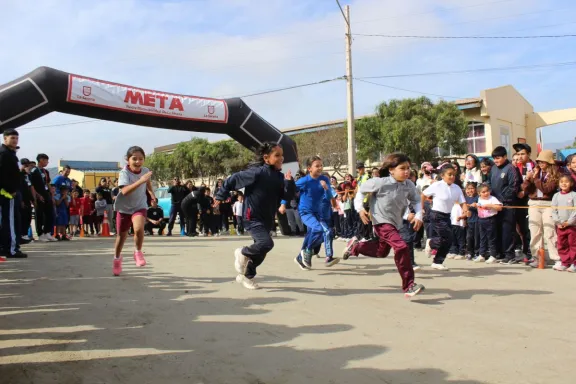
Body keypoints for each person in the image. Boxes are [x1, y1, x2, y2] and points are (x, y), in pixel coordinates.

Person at [342, 153, 425, 297]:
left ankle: (355, 247)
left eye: (408, 168)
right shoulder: (379, 182)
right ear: (391, 170)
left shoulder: (409, 185)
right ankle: (409, 285)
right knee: (401, 246)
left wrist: (418, 215)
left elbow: (416, 201)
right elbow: (360, 192)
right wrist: (360, 209)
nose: (406, 171)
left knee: (381, 252)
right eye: (402, 168)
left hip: (396, 223)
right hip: (381, 222)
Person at [215, 142, 295, 290]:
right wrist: (221, 195)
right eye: (277, 155)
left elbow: (287, 196)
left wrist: (289, 183)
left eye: (282, 155)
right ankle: (242, 252)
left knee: (262, 250)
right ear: (266, 158)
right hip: (251, 217)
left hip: (267, 219)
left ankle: (246, 276)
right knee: (267, 243)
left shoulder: (279, 177)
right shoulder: (257, 173)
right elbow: (233, 179)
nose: (281, 158)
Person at [112, 146, 155, 276]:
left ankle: (138, 252)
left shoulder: (145, 170)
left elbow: (147, 184)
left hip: (139, 205)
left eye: (141, 159)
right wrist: (140, 180)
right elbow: (124, 191)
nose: (138, 162)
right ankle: (117, 259)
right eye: (134, 159)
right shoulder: (124, 173)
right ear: (127, 159)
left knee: (138, 229)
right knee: (121, 237)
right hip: (124, 208)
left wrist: (152, 195)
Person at [292, 157, 339, 269]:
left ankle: (301, 256)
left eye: (321, 165)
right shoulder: (304, 181)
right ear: (309, 169)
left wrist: (326, 188)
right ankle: (307, 251)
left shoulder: (324, 179)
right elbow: (290, 190)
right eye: (317, 166)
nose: (320, 168)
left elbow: (328, 197)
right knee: (319, 229)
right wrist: (283, 204)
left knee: (320, 234)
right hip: (305, 212)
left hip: (317, 213)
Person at [423, 164, 467, 270]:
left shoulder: (457, 188)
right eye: (449, 174)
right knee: (448, 236)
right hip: (436, 215)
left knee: (447, 240)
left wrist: (465, 211)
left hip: (447, 215)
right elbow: (423, 195)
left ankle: (437, 261)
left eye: (454, 175)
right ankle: (431, 243)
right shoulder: (437, 185)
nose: (452, 177)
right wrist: (421, 209)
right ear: (442, 175)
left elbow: (462, 202)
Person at [521, 150, 561, 268]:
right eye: (539, 161)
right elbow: (525, 189)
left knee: (550, 231)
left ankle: (556, 258)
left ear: (549, 162)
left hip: (548, 204)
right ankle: (537, 257)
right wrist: (528, 179)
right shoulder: (535, 172)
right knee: (535, 231)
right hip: (533, 203)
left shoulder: (554, 174)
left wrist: (535, 179)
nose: (541, 163)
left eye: (544, 161)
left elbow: (547, 189)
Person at [488, 146, 522, 264]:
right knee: (496, 229)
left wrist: (502, 200)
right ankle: (499, 253)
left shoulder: (511, 169)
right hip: (494, 205)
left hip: (507, 205)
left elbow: (514, 186)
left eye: (498, 158)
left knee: (508, 230)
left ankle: (510, 255)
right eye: (494, 159)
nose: (496, 161)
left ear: (505, 157)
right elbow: (489, 184)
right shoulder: (493, 169)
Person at [0, 129, 26, 258]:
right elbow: (3, 175)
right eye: (12, 138)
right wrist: (11, 190)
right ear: (5, 139)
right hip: (7, 194)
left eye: (16, 138)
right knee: (10, 222)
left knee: (9, 221)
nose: (15, 141)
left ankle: (6, 247)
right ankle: (11, 249)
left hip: (10, 193)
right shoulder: (4, 154)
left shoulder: (10, 154)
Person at [513, 143, 535, 262]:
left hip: (529, 200)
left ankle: (529, 252)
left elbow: (531, 183)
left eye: (522, 154)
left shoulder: (533, 166)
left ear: (528, 154)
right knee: (519, 228)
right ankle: (521, 251)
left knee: (527, 228)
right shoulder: (515, 167)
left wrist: (524, 191)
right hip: (516, 200)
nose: (520, 156)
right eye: (518, 154)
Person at [29, 153, 57, 242]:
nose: (47, 162)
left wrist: (51, 196)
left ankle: (47, 232)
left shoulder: (46, 171)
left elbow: (48, 183)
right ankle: (40, 234)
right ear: (41, 160)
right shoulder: (34, 171)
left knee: (50, 214)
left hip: (46, 195)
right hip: (38, 196)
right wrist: (37, 195)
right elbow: (32, 185)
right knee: (39, 215)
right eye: (46, 160)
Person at [473, 184, 503, 263]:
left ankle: (493, 255)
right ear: (479, 193)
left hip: (490, 220)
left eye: (487, 191)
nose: (486, 193)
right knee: (482, 238)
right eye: (483, 192)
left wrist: (490, 205)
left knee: (491, 238)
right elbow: (477, 205)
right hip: (481, 220)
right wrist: (475, 205)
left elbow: (499, 208)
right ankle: (482, 254)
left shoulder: (492, 198)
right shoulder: (479, 199)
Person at [552, 175, 576, 272]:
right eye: (561, 182)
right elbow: (554, 211)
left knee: (573, 244)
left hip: (572, 226)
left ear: (571, 184)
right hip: (560, 226)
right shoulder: (556, 196)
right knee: (562, 244)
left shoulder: (574, 195)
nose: (564, 184)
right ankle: (565, 262)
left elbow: (575, 211)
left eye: (566, 182)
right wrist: (558, 222)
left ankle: (574, 263)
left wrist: (569, 222)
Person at [19, 158, 35, 243]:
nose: (28, 167)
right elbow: (19, 189)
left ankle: (25, 234)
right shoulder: (19, 175)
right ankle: (21, 235)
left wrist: (33, 199)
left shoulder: (28, 176)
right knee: (23, 217)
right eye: (26, 165)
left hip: (28, 199)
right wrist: (20, 200)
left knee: (28, 217)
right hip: (22, 199)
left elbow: (30, 188)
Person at [464, 182, 479, 261]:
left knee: (476, 238)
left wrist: (475, 205)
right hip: (469, 221)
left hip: (477, 220)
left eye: (472, 188)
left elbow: (479, 208)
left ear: (475, 189)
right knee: (469, 238)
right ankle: (470, 252)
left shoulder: (478, 197)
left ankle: (477, 253)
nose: (470, 190)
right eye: (469, 188)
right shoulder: (466, 198)